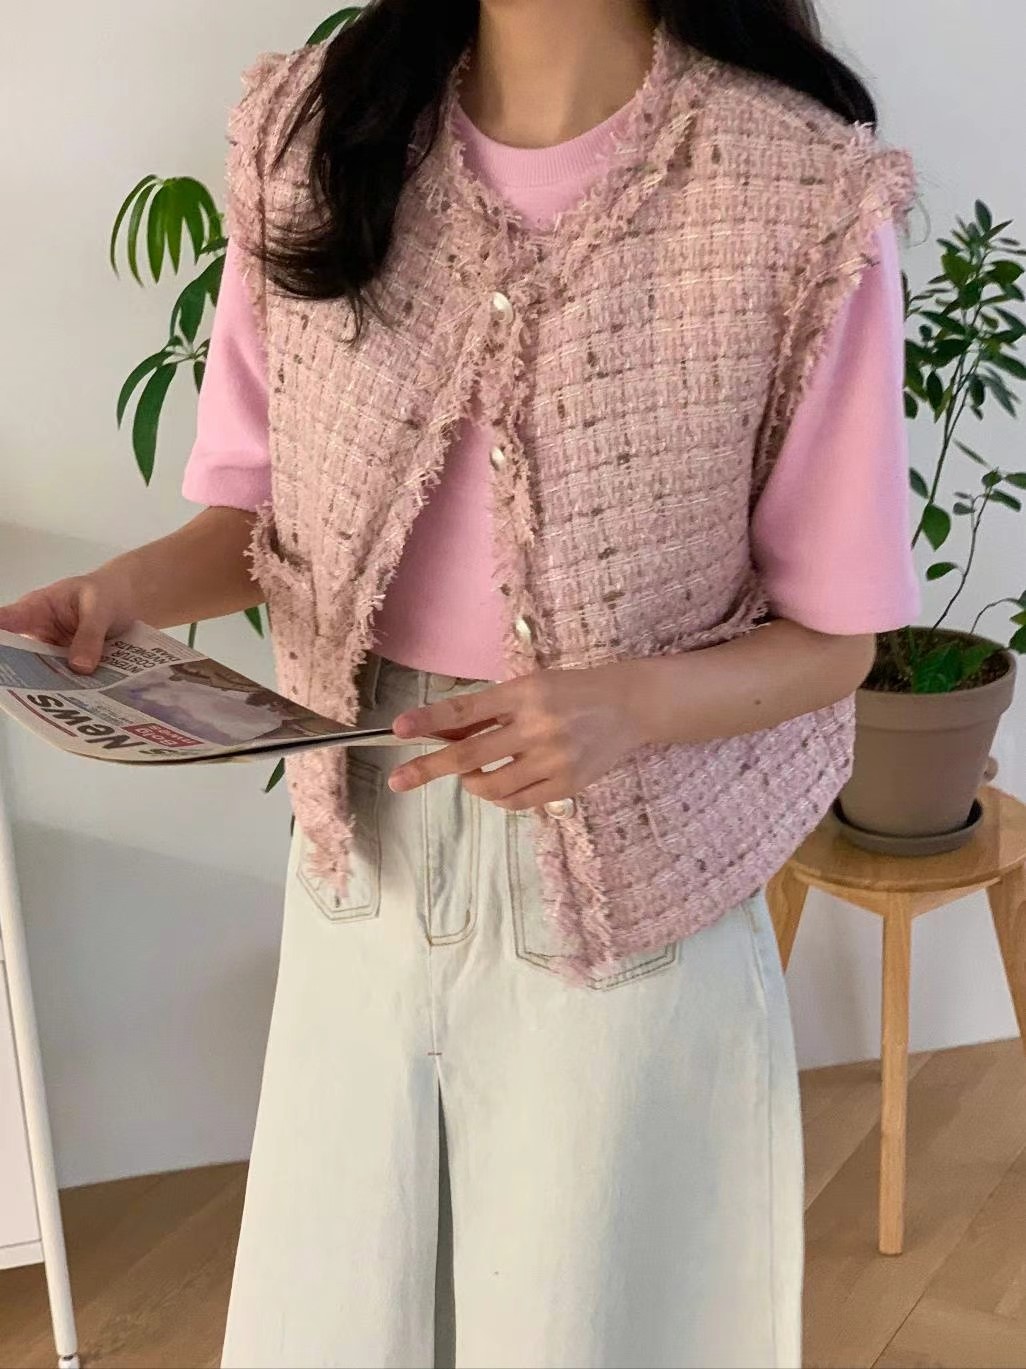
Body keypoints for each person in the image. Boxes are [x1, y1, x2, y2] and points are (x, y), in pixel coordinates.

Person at [0, 1, 922, 1365]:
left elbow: (836, 638)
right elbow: (256, 523)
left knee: (596, 1332)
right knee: (338, 1325)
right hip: (359, 858)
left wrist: (629, 706)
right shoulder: (316, 135)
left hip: (630, 889)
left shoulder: (798, 191)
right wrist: (121, 594)